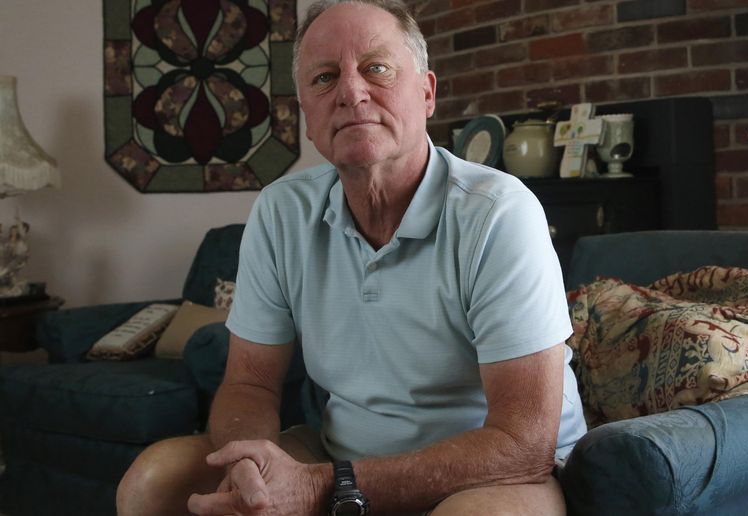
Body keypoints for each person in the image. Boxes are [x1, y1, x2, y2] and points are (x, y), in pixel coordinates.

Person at [116, 0, 586, 514]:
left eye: (376, 68)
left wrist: (324, 486)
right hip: (342, 457)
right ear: (307, 117)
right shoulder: (280, 212)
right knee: (153, 483)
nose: (350, 92)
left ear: (427, 93)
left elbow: (523, 444)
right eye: (322, 78)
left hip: (494, 472)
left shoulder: (498, 212)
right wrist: (246, 467)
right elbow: (249, 383)